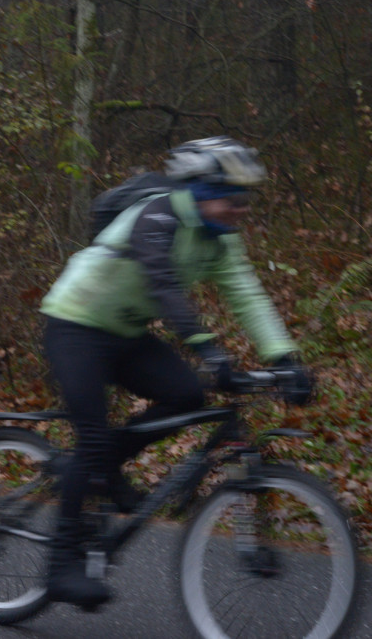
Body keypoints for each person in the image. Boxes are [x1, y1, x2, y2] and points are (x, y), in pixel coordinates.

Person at [38, 136, 311, 609]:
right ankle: (60, 565)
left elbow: (248, 296)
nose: (242, 208)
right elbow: (163, 285)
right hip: (75, 324)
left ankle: (96, 469)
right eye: (234, 196)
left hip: (125, 332)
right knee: (95, 437)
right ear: (201, 190)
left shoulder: (221, 239)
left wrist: (285, 358)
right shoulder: (157, 216)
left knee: (187, 396)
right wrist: (210, 350)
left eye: (247, 198)